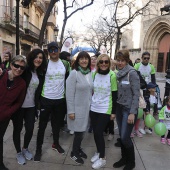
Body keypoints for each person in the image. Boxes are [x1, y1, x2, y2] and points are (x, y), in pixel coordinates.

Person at [34, 42, 69, 162]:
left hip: (60, 100)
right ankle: (38, 150)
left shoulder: (65, 64)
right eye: (51, 50)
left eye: (55, 49)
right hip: (46, 99)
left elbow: (68, 79)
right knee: (42, 126)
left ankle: (56, 144)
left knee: (56, 125)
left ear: (59, 50)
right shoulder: (45, 64)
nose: (53, 52)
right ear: (48, 52)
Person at [12, 49, 47, 165]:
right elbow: (14, 73)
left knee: (30, 128)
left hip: (31, 106)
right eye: (36, 57)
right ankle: (18, 152)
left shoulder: (40, 73)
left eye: (41, 57)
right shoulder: (25, 70)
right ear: (31, 58)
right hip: (19, 106)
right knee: (17, 129)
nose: (38, 59)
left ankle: (25, 148)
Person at [113, 50, 140, 170]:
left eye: (122, 60)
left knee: (125, 137)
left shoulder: (132, 73)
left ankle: (131, 162)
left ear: (127, 60)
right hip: (119, 107)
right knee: (121, 135)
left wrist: (132, 113)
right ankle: (124, 158)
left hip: (128, 109)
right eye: (118, 60)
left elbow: (136, 94)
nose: (120, 62)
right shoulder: (117, 73)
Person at [90, 54, 117, 169]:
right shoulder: (95, 74)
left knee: (98, 133)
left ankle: (103, 158)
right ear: (98, 63)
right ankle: (99, 151)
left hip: (105, 109)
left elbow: (114, 95)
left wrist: (113, 112)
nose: (104, 64)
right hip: (94, 107)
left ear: (109, 63)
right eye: (101, 62)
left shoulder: (112, 76)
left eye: (106, 62)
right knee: (96, 133)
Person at [66, 51, 93, 164]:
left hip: (87, 108)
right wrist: (71, 111)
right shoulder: (74, 73)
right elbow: (69, 94)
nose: (84, 60)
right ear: (78, 61)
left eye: (86, 58)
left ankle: (78, 148)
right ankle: (74, 153)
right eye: (81, 58)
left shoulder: (89, 73)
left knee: (82, 131)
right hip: (77, 109)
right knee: (78, 132)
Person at [0, 55, 27, 170]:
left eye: (22, 67)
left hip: (4, 116)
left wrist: (8, 112)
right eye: (16, 65)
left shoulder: (22, 84)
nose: (18, 69)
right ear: (11, 65)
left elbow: (19, 102)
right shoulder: (1, 75)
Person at [134, 51, 156, 135]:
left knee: (148, 109)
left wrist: (153, 89)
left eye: (148, 58)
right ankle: (139, 127)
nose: (146, 59)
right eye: (145, 58)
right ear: (142, 58)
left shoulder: (151, 67)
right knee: (141, 108)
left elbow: (153, 79)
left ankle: (146, 127)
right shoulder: (137, 65)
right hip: (139, 89)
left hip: (148, 90)